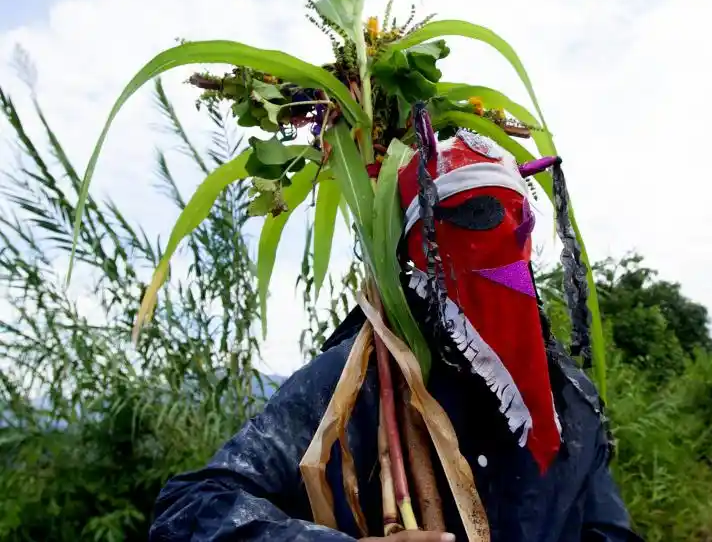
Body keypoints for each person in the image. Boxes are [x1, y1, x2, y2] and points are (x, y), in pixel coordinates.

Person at [148, 129, 641, 541]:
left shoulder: (569, 400)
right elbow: (189, 508)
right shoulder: (357, 383)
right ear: (419, 247)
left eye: (523, 220)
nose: (509, 241)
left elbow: (608, 530)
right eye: (479, 215)